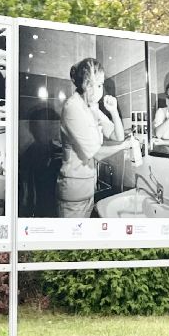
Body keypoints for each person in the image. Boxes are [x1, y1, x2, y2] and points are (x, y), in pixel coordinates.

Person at [57, 57, 132, 217]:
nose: (97, 90)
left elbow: (117, 135)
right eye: (93, 84)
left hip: (88, 190)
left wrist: (113, 111)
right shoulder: (73, 108)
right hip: (72, 197)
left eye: (100, 85)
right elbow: (96, 153)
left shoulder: (93, 108)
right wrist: (124, 146)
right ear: (83, 84)